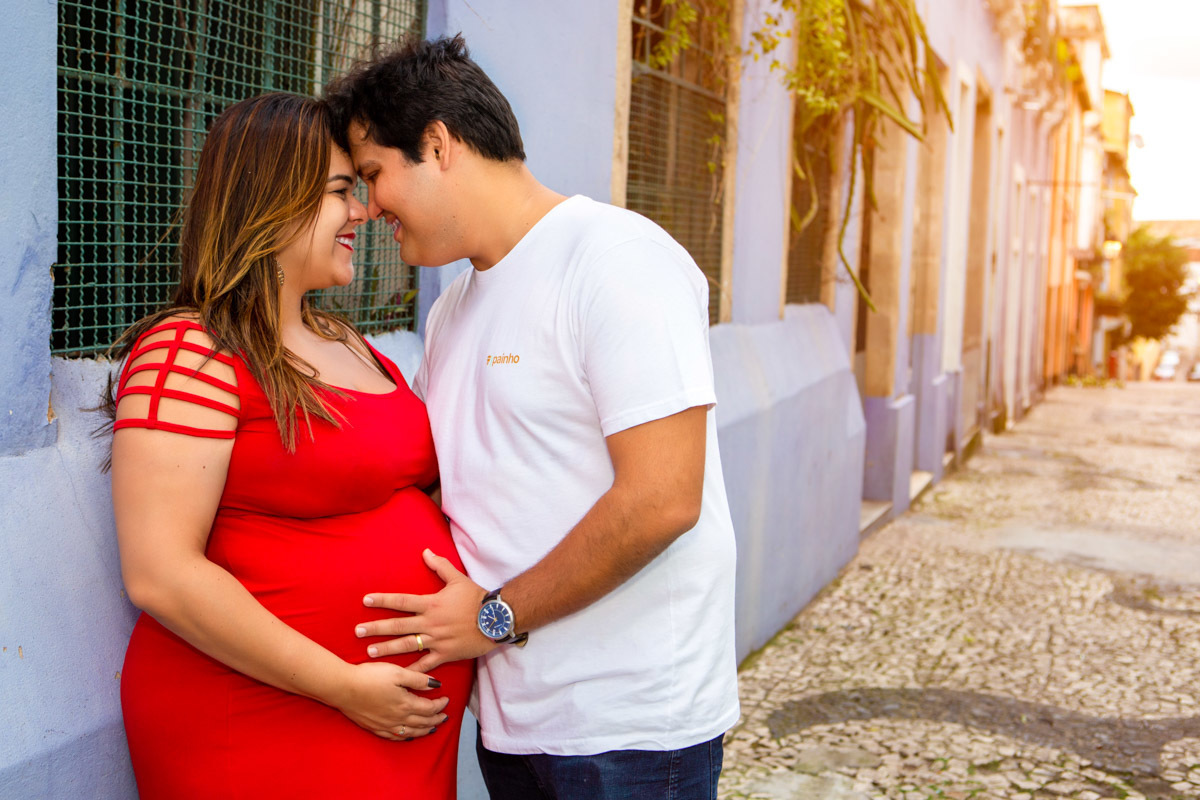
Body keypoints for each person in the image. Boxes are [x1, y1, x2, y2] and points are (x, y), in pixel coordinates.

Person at [325, 36, 740, 799]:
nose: (368, 206)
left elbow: (663, 498)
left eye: (375, 175)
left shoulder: (615, 260)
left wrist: (492, 617)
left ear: (439, 144)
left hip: (630, 731)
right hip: (512, 725)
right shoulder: (451, 313)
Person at [106, 92, 471, 799]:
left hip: (390, 717)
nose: (363, 212)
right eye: (341, 192)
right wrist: (345, 685)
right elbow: (159, 574)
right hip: (264, 716)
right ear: (274, 198)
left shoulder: (345, 341)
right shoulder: (189, 350)